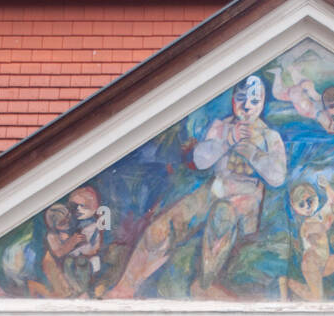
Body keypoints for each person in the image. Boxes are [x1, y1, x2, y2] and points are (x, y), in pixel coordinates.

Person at [106, 75, 287, 298]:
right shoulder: (221, 127)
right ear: (233, 100)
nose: (247, 106)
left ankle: (204, 285)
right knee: (164, 225)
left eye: (254, 101)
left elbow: (277, 176)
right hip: (215, 188)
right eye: (241, 99)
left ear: (262, 103)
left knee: (223, 215)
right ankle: (126, 285)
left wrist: (250, 151)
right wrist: (228, 141)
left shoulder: (270, 136)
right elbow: (201, 160)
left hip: (247, 195)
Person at [279, 175, 334, 301]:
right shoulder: (306, 225)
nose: (307, 207)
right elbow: (320, 227)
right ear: (295, 207)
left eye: (310, 201)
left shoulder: (318, 216)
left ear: (316, 199)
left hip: (324, 259)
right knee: (317, 299)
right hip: (311, 264)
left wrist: (327, 187)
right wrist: (330, 216)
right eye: (302, 204)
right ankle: (287, 282)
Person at [272, 63, 334, 134]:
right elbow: (331, 127)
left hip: (311, 96)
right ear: (326, 107)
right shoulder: (321, 114)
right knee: (279, 93)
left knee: (306, 85)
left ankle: (293, 71)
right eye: (331, 106)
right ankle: (278, 73)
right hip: (302, 103)